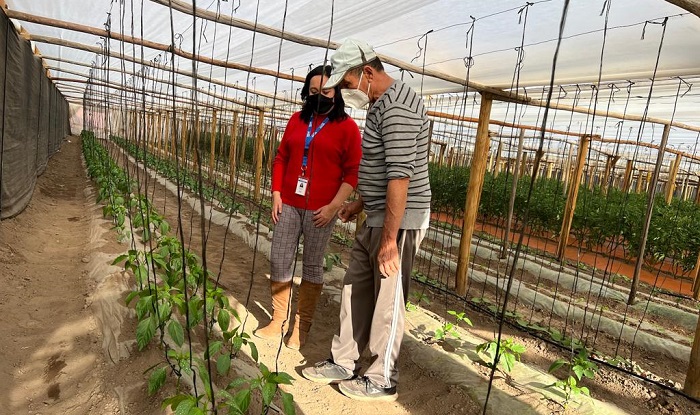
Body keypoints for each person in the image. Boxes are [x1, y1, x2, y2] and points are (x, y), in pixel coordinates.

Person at [301, 39, 431, 401]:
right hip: (377, 215)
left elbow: (399, 177)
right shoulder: (379, 104)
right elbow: (379, 169)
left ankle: (381, 378)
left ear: (368, 73)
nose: (344, 92)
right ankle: (344, 360)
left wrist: (390, 240)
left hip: (399, 222)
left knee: (388, 298)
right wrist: (360, 204)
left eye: (346, 84)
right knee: (355, 286)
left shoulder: (399, 107)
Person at [254, 65, 362, 351]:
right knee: (279, 258)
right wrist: (276, 192)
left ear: (337, 92)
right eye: (313, 91)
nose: (319, 96)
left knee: (312, 266)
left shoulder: (348, 129)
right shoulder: (296, 121)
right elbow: (281, 158)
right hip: (289, 202)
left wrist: (333, 207)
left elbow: (352, 174)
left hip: (321, 210)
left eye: (325, 91)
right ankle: (278, 320)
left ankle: (301, 327)